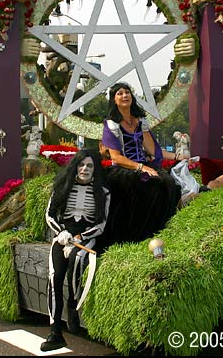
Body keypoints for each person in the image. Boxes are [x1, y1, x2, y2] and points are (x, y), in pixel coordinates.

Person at [40, 149, 111, 351]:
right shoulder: (62, 187)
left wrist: (80, 238)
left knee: (77, 259)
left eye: (89, 165)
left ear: (95, 168)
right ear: (75, 167)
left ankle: (73, 304)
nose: (85, 169)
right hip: (63, 235)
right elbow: (50, 215)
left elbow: (101, 224)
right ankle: (55, 332)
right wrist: (62, 233)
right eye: (81, 165)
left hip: (85, 238)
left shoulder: (103, 192)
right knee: (54, 277)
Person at [101, 82, 181, 245]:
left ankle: (162, 229)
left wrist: (178, 156)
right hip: (124, 168)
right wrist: (141, 167)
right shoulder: (111, 125)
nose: (124, 96)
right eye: (120, 94)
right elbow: (116, 157)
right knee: (147, 184)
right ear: (114, 100)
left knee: (168, 183)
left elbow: (152, 150)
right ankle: (138, 235)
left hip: (143, 164)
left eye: (127, 92)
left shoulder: (140, 121)